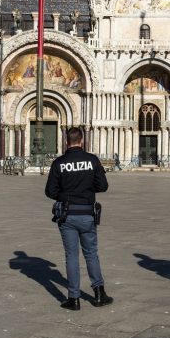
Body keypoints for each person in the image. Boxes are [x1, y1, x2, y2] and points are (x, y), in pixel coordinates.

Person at [45, 127, 113, 310]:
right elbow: (103, 186)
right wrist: (87, 190)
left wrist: (66, 194)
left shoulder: (59, 163)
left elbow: (50, 191)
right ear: (81, 141)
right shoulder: (92, 160)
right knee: (91, 254)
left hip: (67, 216)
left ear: (66, 141)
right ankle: (99, 294)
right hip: (87, 214)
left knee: (71, 256)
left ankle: (73, 299)